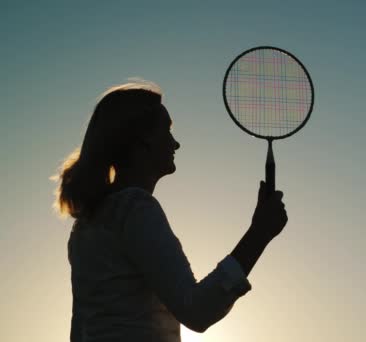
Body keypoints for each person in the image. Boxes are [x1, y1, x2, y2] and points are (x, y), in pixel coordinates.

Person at [52, 80, 288, 342]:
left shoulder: (87, 224)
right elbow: (197, 310)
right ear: (142, 141)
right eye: (166, 131)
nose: (175, 144)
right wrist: (259, 234)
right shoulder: (134, 208)